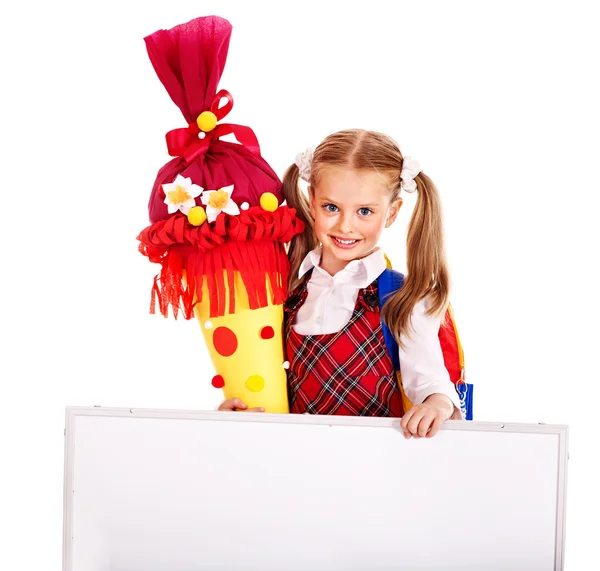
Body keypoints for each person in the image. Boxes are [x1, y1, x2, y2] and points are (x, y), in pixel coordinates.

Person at [219, 129, 463, 438]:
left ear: (392, 212)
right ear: (312, 201)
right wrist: (239, 414)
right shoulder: (288, 292)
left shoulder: (405, 299)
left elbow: (430, 385)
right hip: (296, 463)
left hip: (378, 470)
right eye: (331, 207)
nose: (345, 225)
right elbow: (272, 384)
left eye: (364, 211)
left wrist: (437, 405)